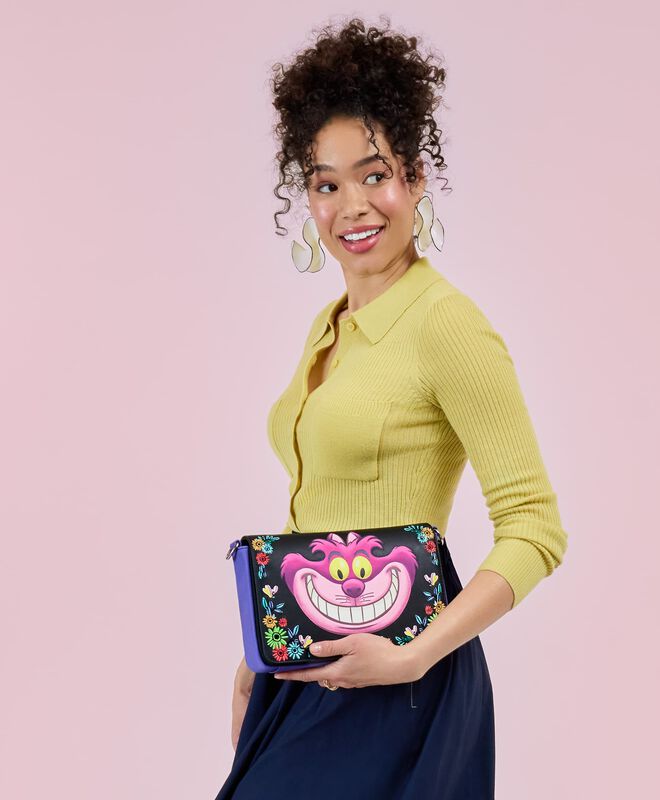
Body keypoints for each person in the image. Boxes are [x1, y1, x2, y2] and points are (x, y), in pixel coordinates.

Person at [214, 15, 569, 799]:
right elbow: (327, 510)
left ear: (414, 176)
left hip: (400, 680)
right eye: (326, 184)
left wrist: (412, 656)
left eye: (373, 175)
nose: (352, 206)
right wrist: (260, 649)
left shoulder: (446, 324)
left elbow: (535, 526)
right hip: (305, 663)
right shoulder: (330, 326)